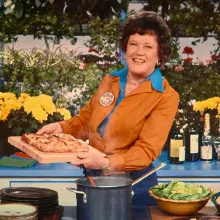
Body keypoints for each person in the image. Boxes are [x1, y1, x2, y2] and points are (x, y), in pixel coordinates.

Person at [37, 11, 179, 206]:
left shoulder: (165, 96)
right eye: (133, 44)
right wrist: (62, 127)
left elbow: (146, 151)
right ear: (125, 48)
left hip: (134, 187)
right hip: (93, 179)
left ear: (159, 55)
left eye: (148, 46)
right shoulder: (109, 80)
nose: (138, 52)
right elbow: (86, 120)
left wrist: (106, 163)